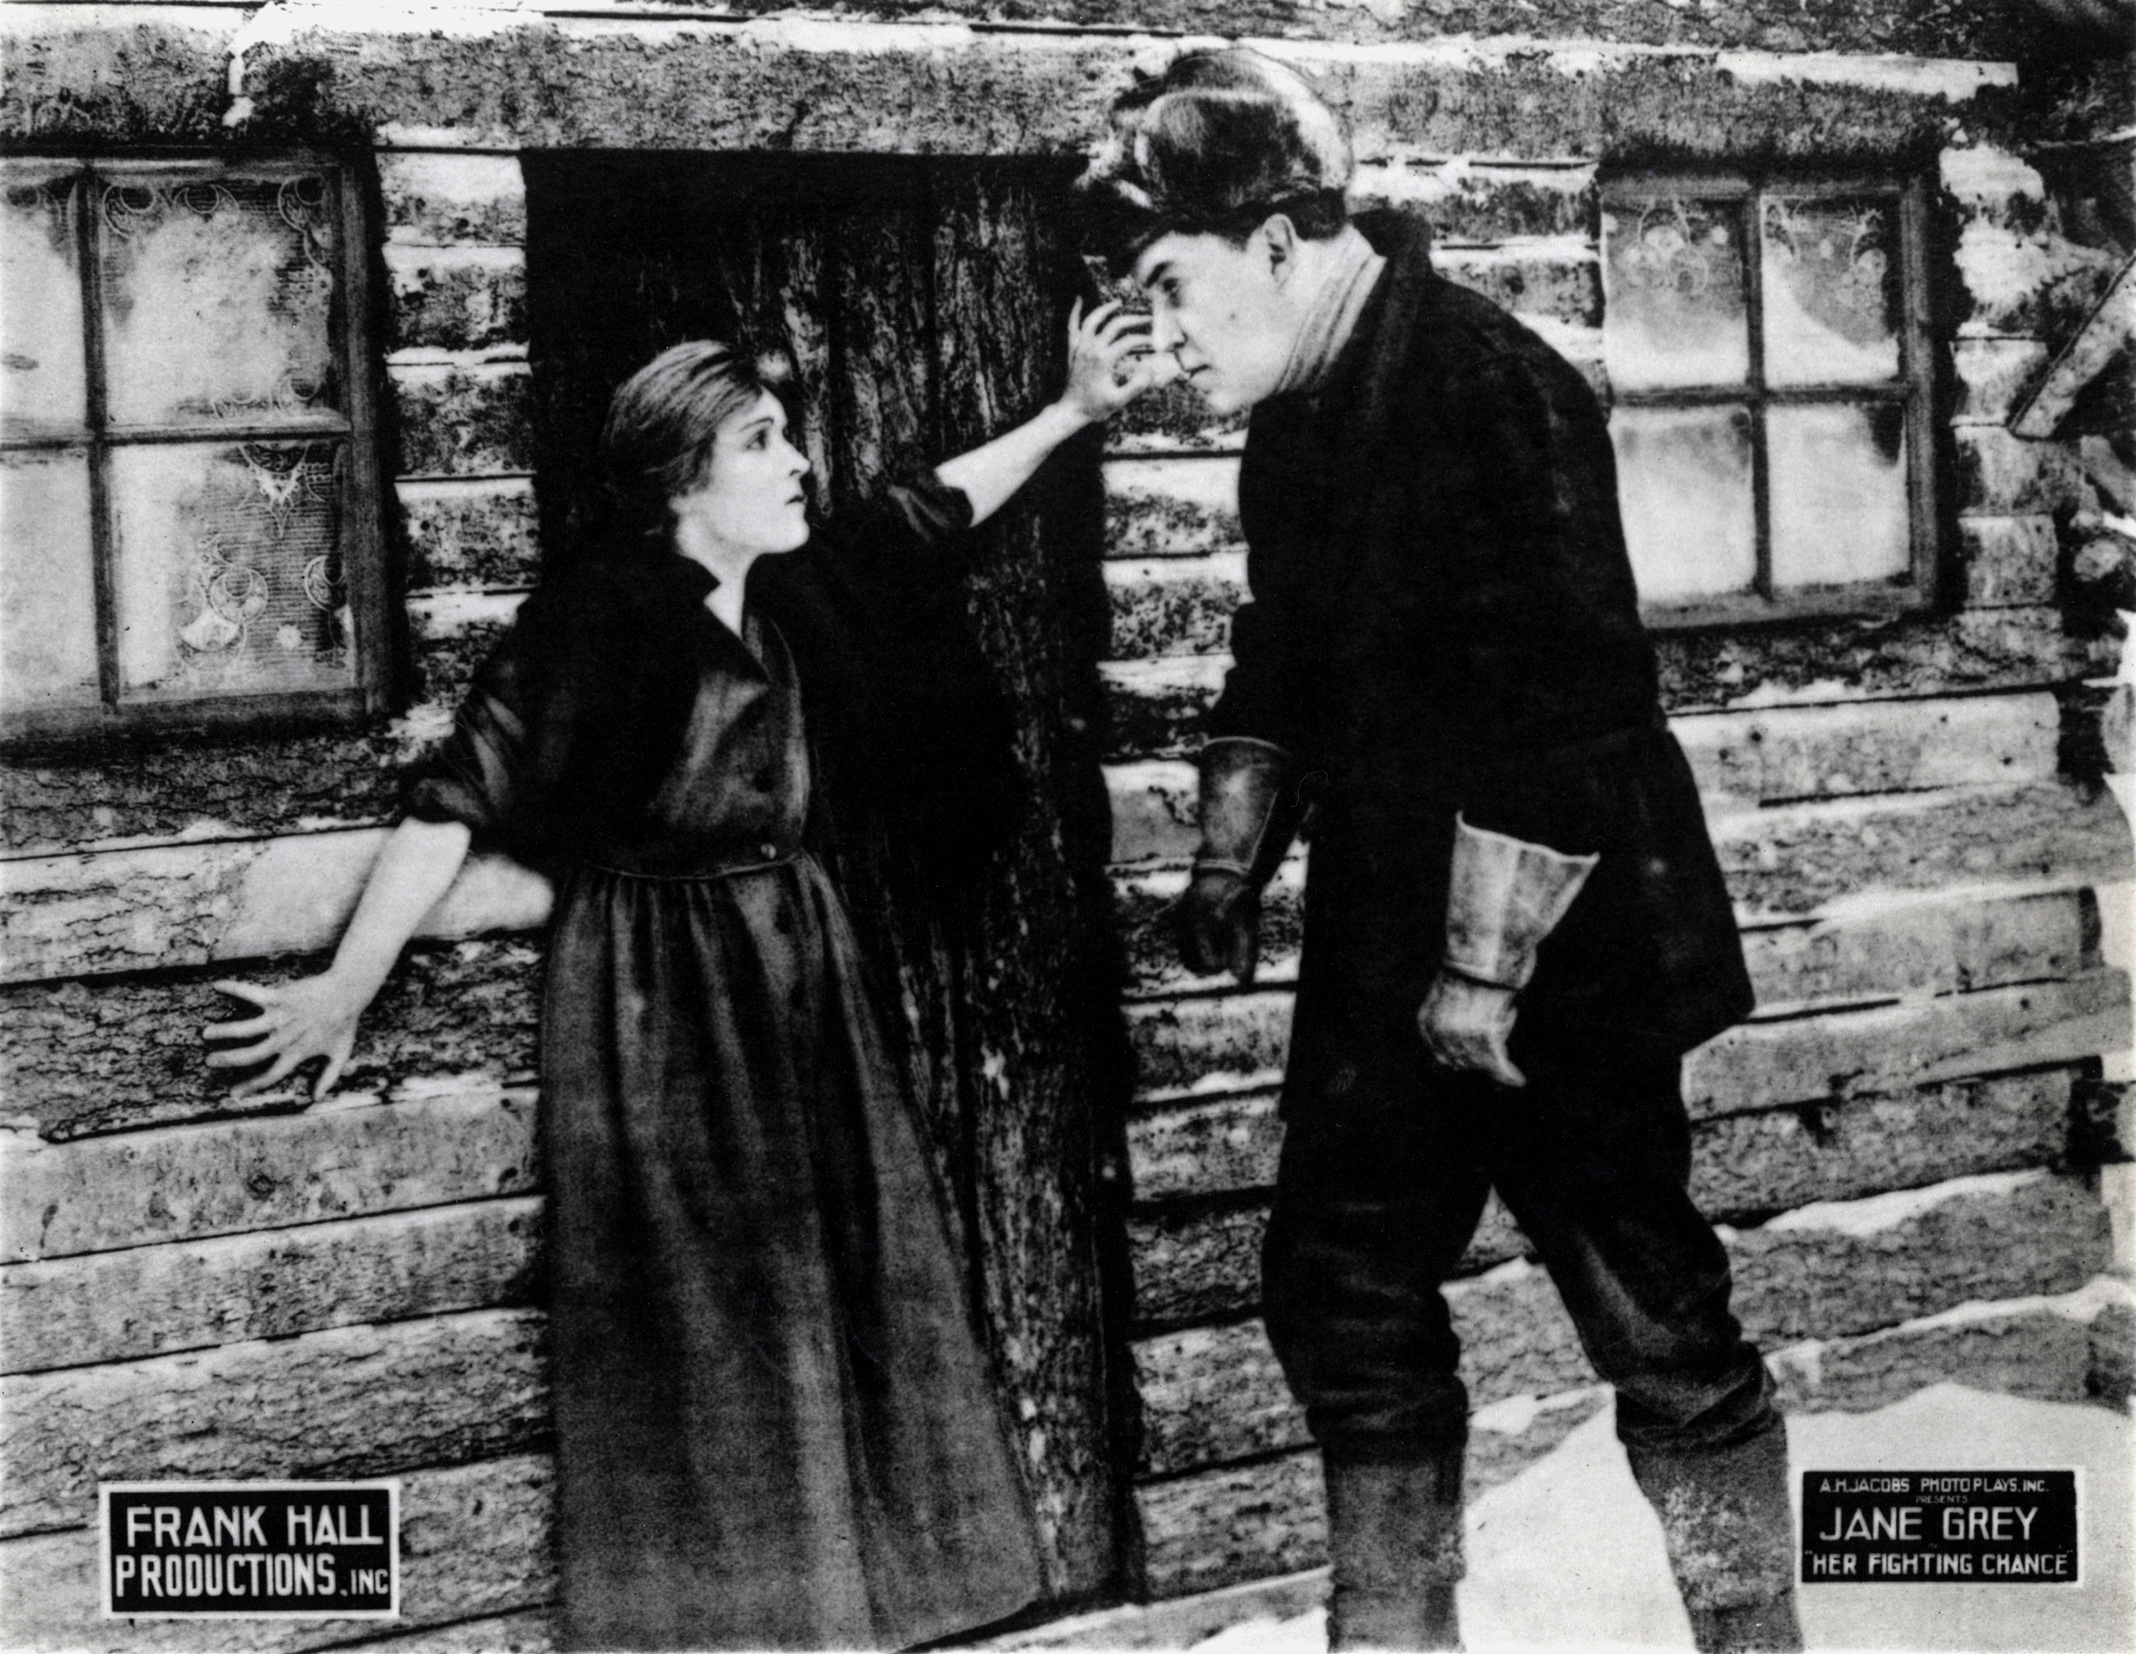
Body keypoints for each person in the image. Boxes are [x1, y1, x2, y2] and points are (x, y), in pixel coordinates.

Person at [204, 307, 1156, 1649]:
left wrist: (1073, 412)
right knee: (714, 1318)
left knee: (851, 1280)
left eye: (787, 436)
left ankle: (863, 1616)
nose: (797, 463)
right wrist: (345, 989)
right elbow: (455, 799)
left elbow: (926, 513)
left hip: (802, 968)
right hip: (662, 991)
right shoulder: (601, 622)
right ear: (677, 482)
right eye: (760, 442)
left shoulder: (797, 591)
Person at [1079, 50, 1800, 1654]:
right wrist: (1229, 859)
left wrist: (1484, 973)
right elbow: (1283, 650)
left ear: (1277, 242)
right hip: (1392, 928)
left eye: (1173, 287)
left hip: (1573, 938)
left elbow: (1568, 702)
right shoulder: (1299, 421)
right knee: (1341, 1289)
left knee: (1655, 1318)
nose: (1167, 338)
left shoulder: (1491, 386)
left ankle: (1756, 1638)